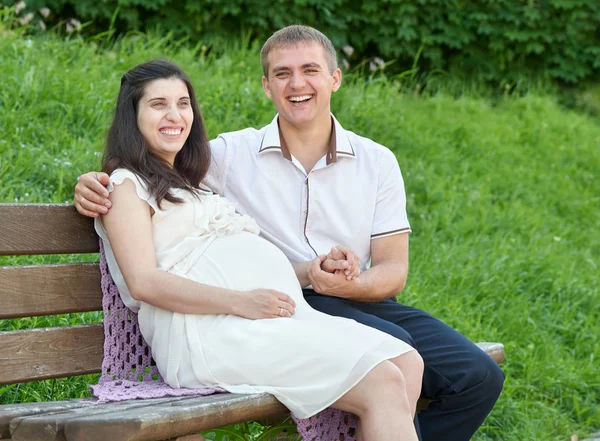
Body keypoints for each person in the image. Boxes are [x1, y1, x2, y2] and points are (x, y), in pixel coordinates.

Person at [75, 26, 504, 441]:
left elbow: (393, 269)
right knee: (390, 364)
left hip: (304, 301)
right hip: (229, 323)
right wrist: (91, 183)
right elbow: (141, 248)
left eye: (183, 103)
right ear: (267, 86)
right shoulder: (223, 157)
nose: (175, 116)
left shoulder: (376, 161)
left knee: (428, 365)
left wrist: (331, 275)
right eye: (283, 73)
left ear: (335, 78)